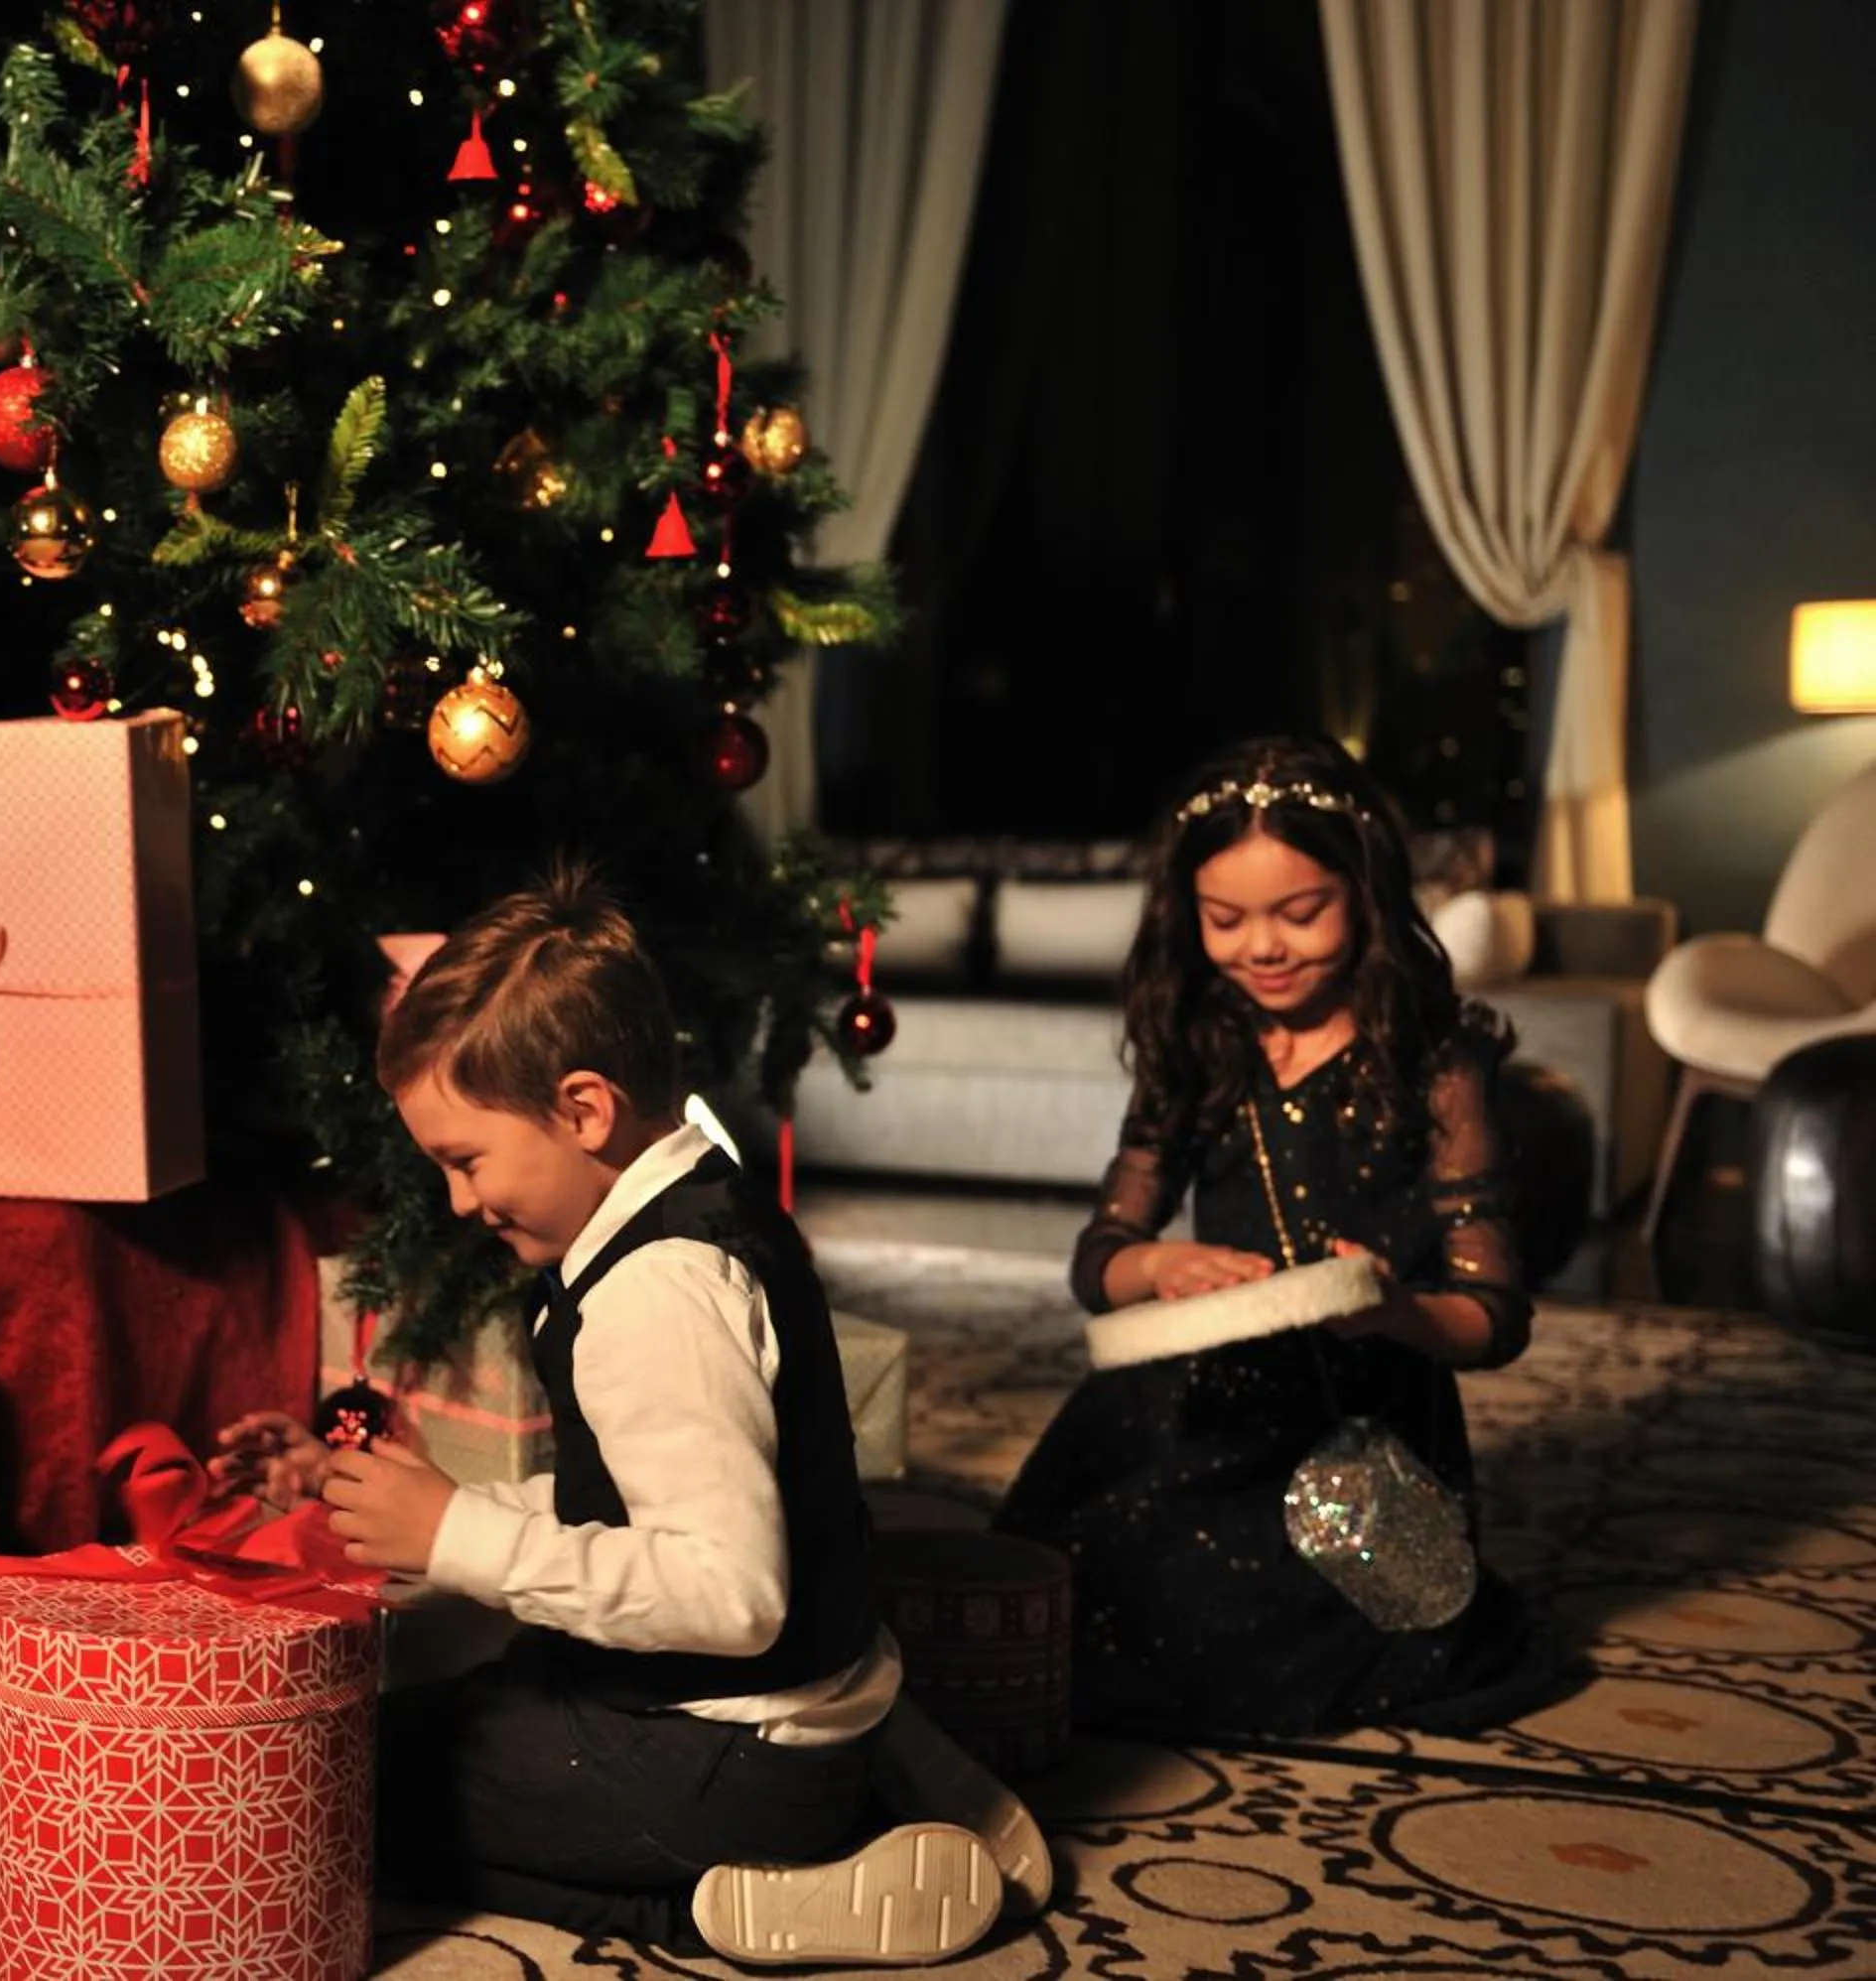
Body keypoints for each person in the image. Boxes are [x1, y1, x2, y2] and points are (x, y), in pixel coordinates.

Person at [215, 864, 1048, 1967]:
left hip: (723, 1751)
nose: (459, 1202)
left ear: (583, 1109)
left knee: (342, 1790)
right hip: (779, 1716)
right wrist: (440, 1506)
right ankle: (873, 1766)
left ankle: (754, 1891)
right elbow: (636, 1498)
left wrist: (458, 1539)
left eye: (465, 1161)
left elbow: (728, 1596)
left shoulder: (652, 1296)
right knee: (450, 1708)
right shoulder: (706, 1204)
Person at [994, 735, 1567, 1738]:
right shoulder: (1199, 1040)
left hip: (1359, 1416)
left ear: (1367, 893)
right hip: (1212, 1386)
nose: (1263, 945)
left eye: (1302, 913)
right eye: (1227, 918)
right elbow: (1101, 1259)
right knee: (1078, 1565)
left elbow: (1494, 1317)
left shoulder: (1431, 1061)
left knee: (1270, 1616)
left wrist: (1392, 1309)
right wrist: (1161, 1265)